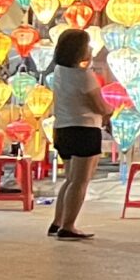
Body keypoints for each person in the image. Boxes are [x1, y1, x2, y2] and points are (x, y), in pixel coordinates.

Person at [45, 26, 106, 241]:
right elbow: (100, 106)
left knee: (69, 179)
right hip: (84, 129)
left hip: (63, 128)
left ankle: (58, 221)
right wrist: (113, 109)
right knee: (80, 181)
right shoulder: (84, 76)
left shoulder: (59, 73)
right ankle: (69, 226)